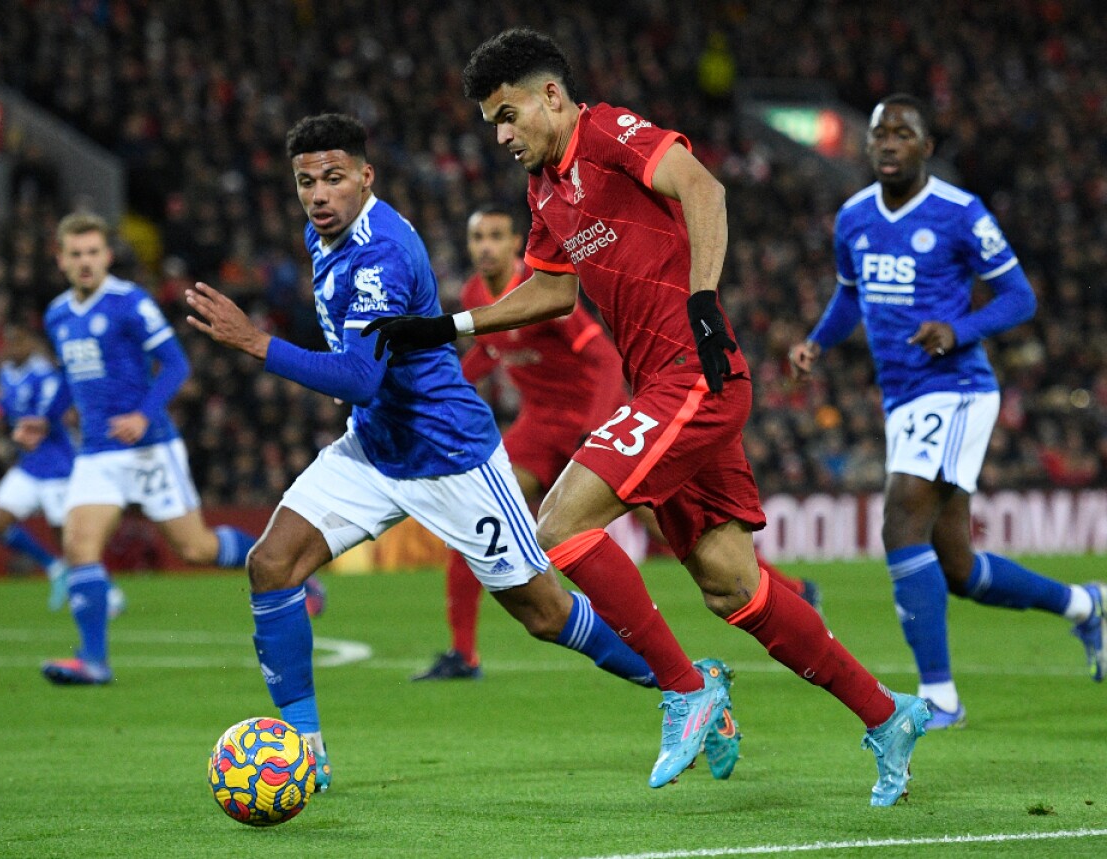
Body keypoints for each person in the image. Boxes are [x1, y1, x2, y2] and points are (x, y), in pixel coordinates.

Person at [366, 28, 928, 805]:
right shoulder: (543, 190)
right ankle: (886, 712)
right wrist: (449, 327)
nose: (500, 136)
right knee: (733, 586)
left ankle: (686, 687)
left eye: (507, 115)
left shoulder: (607, 132)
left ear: (551, 97)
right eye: (490, 124)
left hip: (692, 374)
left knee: (557, 524)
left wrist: (703, 299)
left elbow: (704, 189)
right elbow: (551, 291)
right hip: (660, 386)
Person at [184, 113, 735, 794]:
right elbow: (363, 366)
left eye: (333, 178)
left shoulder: (380, 251)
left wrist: (256, 341)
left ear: (366, 176)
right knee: (271, 564)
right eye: (306, 182)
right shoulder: (324, 234)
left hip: (451, 456)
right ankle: (305, 751)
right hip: (375, 447)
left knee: (544, 613)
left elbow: (360, 374)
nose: (319, 194)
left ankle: (686, 680)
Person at [788, 94, 1106, 728]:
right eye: (880, 133)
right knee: (956, 565)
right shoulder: (853, 218)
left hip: (956, 386)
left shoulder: (961, 214)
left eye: (903, 133)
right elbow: (850, 295)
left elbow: (1020, 298)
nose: (888, 142)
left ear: (926, 148)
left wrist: (958, 330)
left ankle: (940, 698)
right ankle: (1085, 605)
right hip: (903, 394)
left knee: (901, 521)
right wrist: (817, 342)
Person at [414, 206, 823, 683]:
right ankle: (464, 654)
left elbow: (606, 360)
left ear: (513, 244)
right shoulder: (472, 295)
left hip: (593, 422)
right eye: (477, 237)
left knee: (672, 526)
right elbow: (488, 354)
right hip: (538, 428)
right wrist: (435, 400)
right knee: (477, 509)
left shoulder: (540, 290)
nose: (485, 246)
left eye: (495, 236)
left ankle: (790, 589)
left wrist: (595, 425)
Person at [38, 213, 259, 686]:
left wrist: (143, 413)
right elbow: (71, 377)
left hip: (149, 447)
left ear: (107, 255)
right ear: (60, 259)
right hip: (96, 451)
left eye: (93, 252)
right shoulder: (57, 314)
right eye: (75, 254)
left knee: (196, 548)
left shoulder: (129, 303)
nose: (85, 261)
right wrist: (46, 417)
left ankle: (285, 566)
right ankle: (94, 660)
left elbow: (176, 364)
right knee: (79, 544)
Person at [0, 320, 124, 617]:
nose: (10, 348)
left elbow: (46, 418)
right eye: (7, 343)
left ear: (29, 344)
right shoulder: (7, 374)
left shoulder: (45, 374)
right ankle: (54, 567)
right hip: (29, 466)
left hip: (58, 467)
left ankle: (108, 591)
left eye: (16, 342)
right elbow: (2, 408)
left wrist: (24, 428)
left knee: (72, 540)